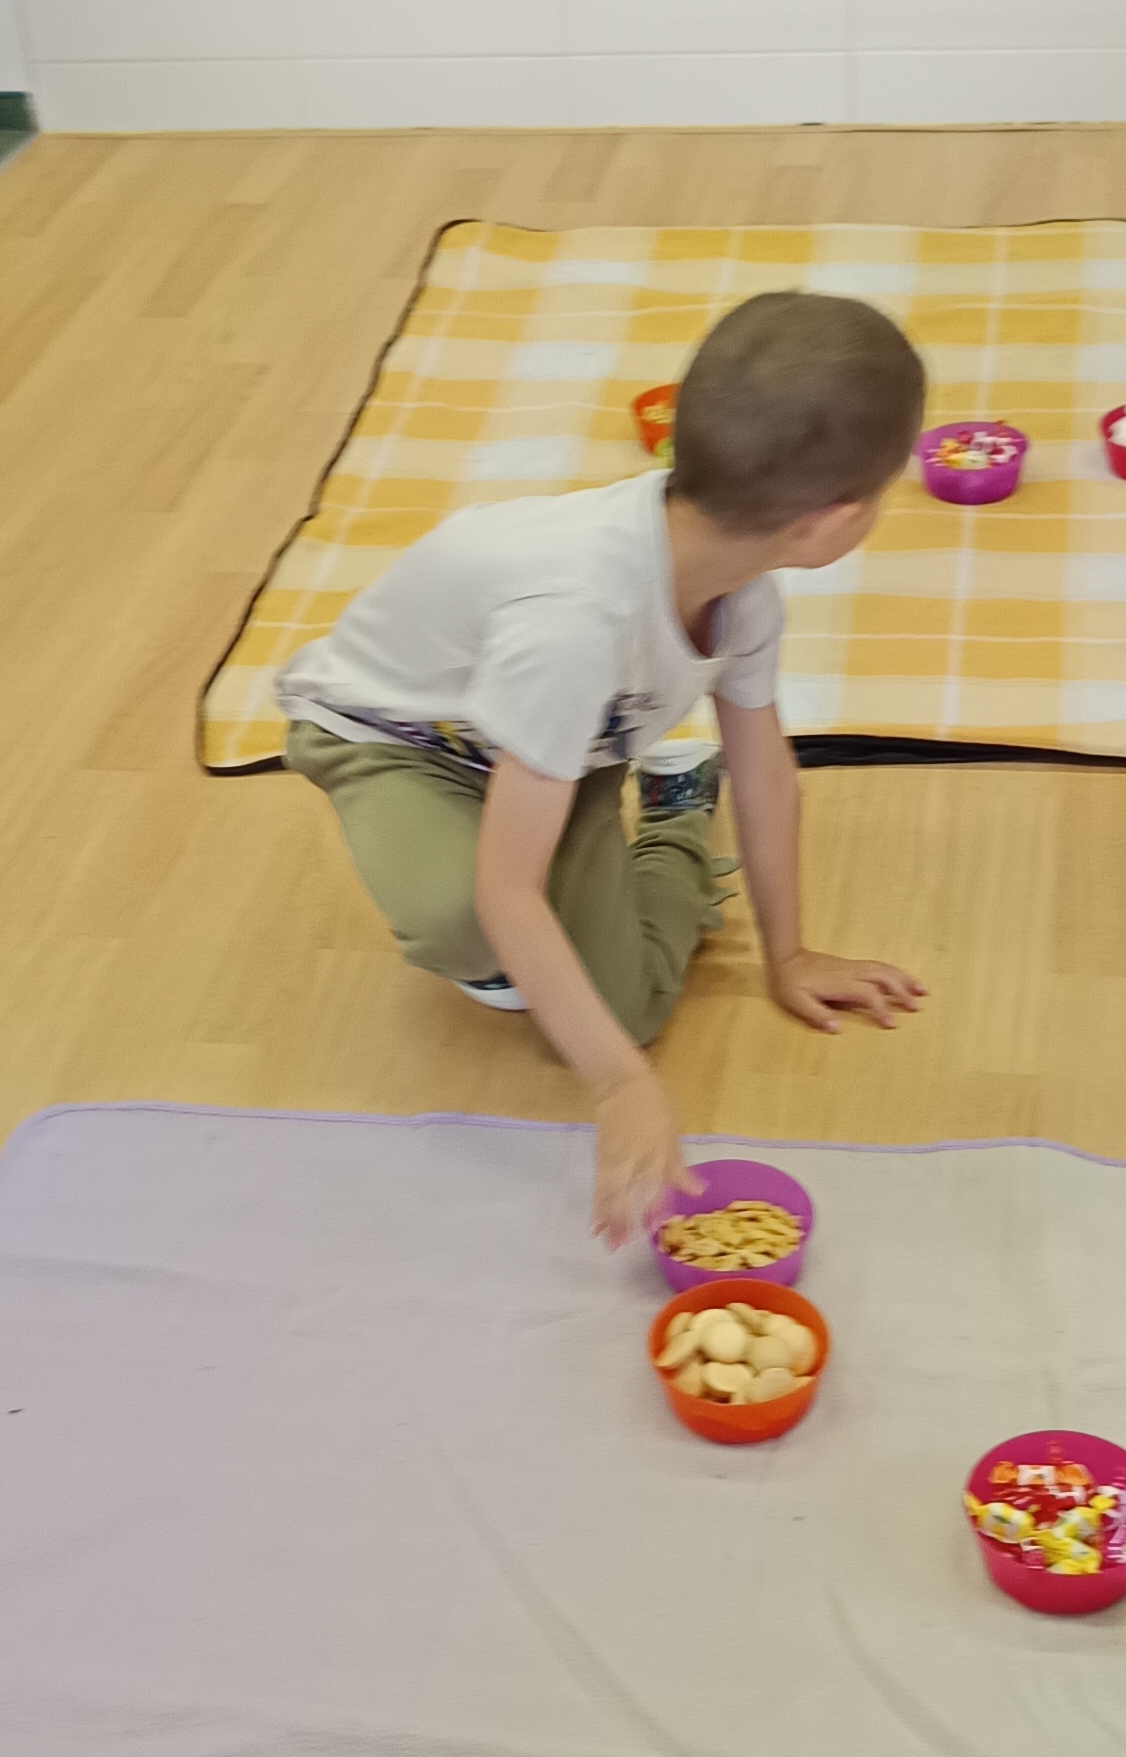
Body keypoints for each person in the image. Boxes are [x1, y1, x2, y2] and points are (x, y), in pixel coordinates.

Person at [279, 291, 930, 1243]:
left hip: (563, 744)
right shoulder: (573, 626)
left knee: (622, 1007)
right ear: (830, 524)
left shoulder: (741, 592)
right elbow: (506, 889)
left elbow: (764, 767)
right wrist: (621, 1086)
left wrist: (788, 954)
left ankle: (673, 806)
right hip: (393, 742)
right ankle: (601, 856)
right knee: (471, 924)